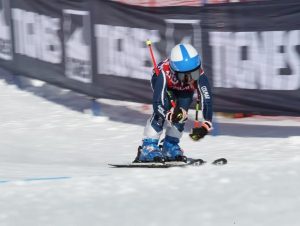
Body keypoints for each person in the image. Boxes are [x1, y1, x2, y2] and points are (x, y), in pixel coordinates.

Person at [134, 43, 213, 163]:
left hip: (184, 91)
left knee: (182, 114)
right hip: (166, 87)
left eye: (194, 73)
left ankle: (170, 145)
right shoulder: (164, 73)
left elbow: (207, 100)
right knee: (164, 107)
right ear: (174, 71)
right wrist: (168, 114)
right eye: (185, 76)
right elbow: (157, 103)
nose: (191, 79)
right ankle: (148, 146)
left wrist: (205, 126)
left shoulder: (200, 75)